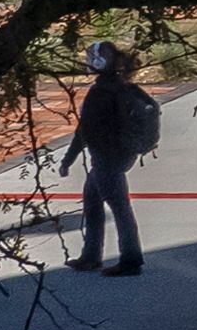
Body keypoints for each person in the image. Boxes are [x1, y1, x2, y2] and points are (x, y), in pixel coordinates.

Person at [64, 41, 157, 275]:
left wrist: (69, 158)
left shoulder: (100, 93)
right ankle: (91, 256)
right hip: (120, 155)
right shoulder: (123, 87)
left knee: (120, 208)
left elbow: (84, 130)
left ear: (99, 63)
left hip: (106, 158)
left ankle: (131, 259)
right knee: (93, 204)